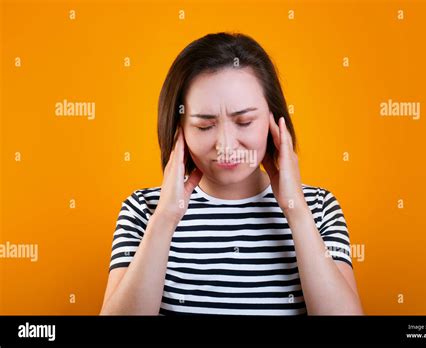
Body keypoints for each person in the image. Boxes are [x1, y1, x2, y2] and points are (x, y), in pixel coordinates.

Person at [100, 32, 363, 315]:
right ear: (179, 131)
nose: (225, 145)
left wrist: (295, 209)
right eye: (204, 126)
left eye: (245, 121)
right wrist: (165, 218)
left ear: (275, 121)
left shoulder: (319, 208)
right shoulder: (143, 210)